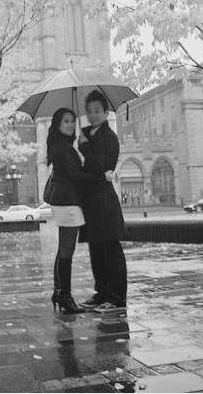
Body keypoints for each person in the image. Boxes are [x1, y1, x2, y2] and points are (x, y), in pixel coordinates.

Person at [47, 107, 108, 314]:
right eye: (66, 121)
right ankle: (65, 296)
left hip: (64, 200)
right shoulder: (62, 147)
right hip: (68, 201)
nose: (71, 124)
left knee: (63, 249)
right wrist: (101, 177)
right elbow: (75, 174)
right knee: (67, 251)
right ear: (57, 124)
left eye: (73, 121)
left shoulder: (62, 145)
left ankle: (59, 292)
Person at [77, 90, 129, 313]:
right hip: (89, 200)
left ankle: (116, 298)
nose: (93, 115)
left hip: (104, 201)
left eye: (97, 111)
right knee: (96, 251)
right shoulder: (84, 133)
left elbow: (103, 165)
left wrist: (85, 148)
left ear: (106, 112)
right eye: (89, 111)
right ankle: (101, 293)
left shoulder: (109, 137)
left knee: (110, 250)